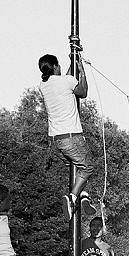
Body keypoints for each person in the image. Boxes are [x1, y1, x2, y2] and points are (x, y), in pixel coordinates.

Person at [37, 52, 96, 220]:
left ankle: (83, 194)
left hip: (54, 141)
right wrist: (82, 71)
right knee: (87, 167)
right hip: (71, 137)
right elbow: (82, 92)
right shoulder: (67, 81)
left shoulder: (44, 85)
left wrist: (73, 60)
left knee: (76, 168)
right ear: (56, 66)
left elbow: (66, 80)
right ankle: (73, 197)